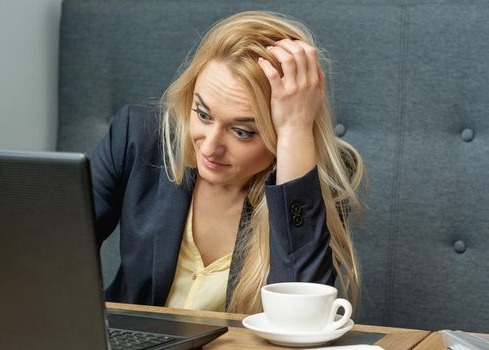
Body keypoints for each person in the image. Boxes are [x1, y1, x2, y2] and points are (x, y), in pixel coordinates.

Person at [91, 11, 364, 315]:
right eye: (203, 114)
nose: (210, 146)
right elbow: (50, 246)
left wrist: (296, 132)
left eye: (242, 132)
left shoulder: (316, 179)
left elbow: (299, 316)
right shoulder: (139, 138)